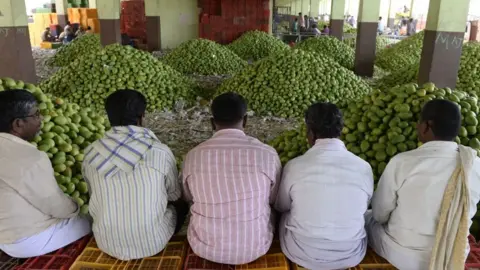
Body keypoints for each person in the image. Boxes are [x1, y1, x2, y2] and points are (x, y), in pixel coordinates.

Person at [366, 99, 480, 270]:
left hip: (405, 256)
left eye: (419, 123)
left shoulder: (403, 162)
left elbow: (380, 214)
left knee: (368, 219)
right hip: (453, 254)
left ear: (427, 126)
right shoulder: (474, 164)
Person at [82, 90, 187, 260]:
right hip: (153, 243)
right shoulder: (159, 151)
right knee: (181, 204)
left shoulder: (90, 153)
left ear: (108, 116)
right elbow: (174, 195)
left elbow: (91, 194)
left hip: (106, 242)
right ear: (142, 117)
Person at [182, 92, 282, 265]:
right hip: (256, 247)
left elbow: (188, 198)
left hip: (203, 247)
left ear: (212, 123)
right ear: (245, 121)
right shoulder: (267, 153)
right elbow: (273, 199)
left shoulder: (193, 156)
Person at [276, 103, 374, 270]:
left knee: (283, 214)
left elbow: (281, 206)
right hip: (350, 254)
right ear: (341, 131)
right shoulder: (363, 167)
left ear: (311, 133)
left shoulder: (295, 166)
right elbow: (364, 207)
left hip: (302, 252)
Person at [0, 90, 90, 258]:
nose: (40, 119)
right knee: (91, 221)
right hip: (28, 242)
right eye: (36, 115)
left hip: (3, 238)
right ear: (18, 124)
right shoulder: (30, 158)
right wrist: (76, 207)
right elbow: (56, 206)